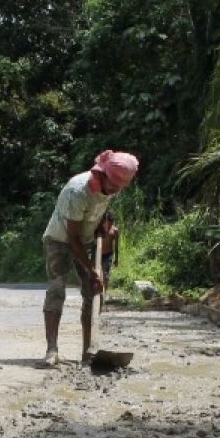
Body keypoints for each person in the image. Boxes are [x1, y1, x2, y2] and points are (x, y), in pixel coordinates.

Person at [41, 150, 138, 366]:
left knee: (94, 293)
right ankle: (52, 350)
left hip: (85, 240)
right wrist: (92, 269)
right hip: (60, 239)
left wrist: (106, 225)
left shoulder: (113, 186)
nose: (116, 189)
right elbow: (72, 237)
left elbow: (101, 209)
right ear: (102, 174)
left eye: (120, 186)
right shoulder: (78, 190)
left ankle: (88, 352)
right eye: (114, 184)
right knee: (56, 291)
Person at [95, 211, 118, 312]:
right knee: (97, 274)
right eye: (107, 223)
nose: (108, 225)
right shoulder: (98, 230)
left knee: (106, 276)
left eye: (111, 223)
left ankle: (103, 297)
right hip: (98, 255)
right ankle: (96, 297)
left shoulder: (115, 231)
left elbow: (116, 246)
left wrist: (117, 259)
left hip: (108, 255)